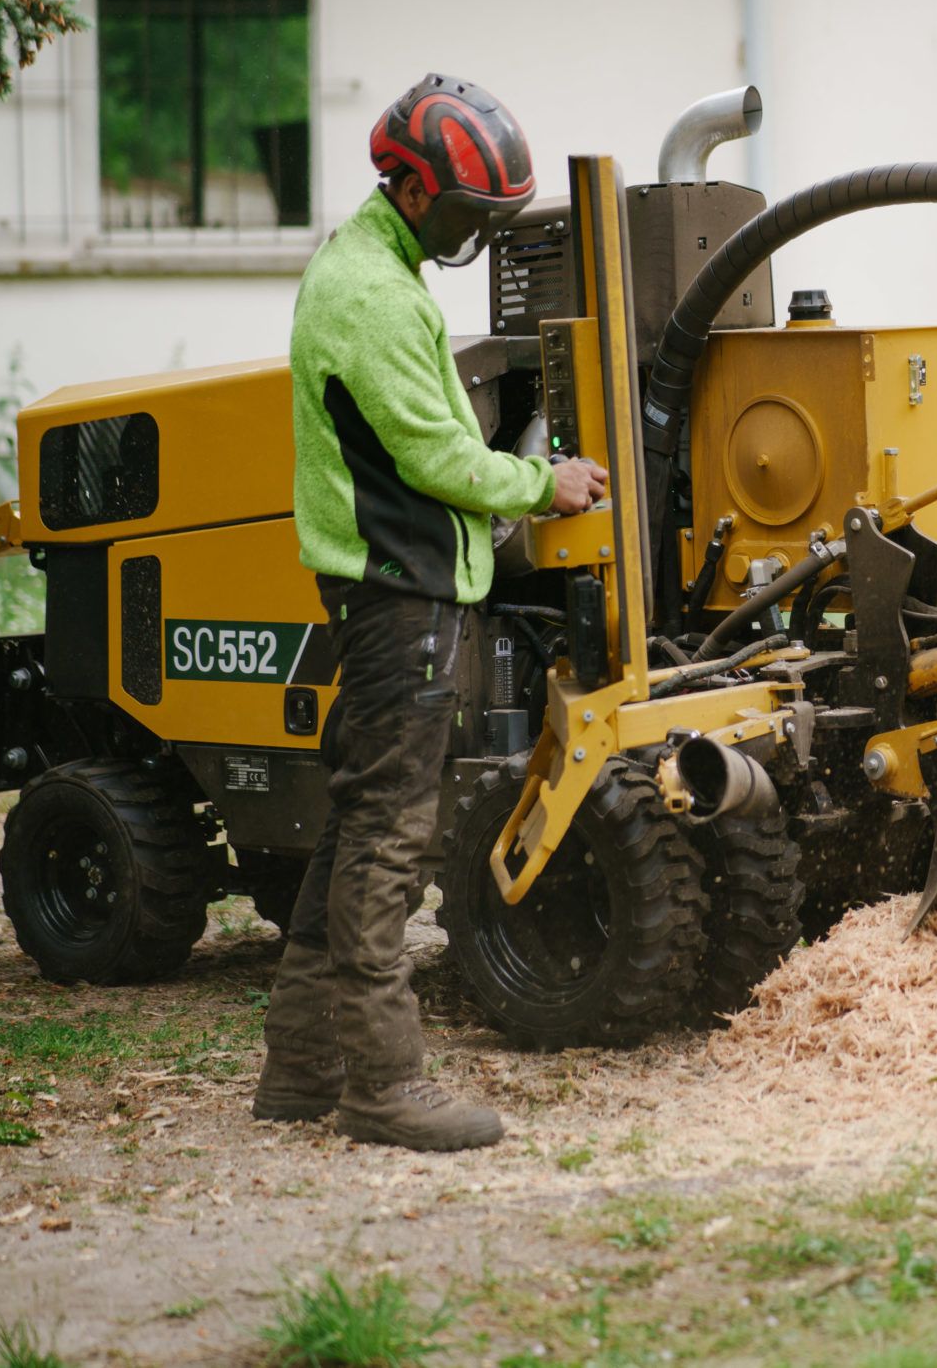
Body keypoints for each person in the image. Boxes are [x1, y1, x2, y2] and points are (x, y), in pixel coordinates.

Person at [252, 74, 608, 1151]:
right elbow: (434, 457)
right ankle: (382, 1086)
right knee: (389, 838)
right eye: (465, 216)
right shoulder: (371, 292)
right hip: (399, 594)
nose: (471, 238)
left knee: (354, 824)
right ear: (407, 186)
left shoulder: (379, 267)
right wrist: (543, 485)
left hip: (391, 588)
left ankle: (300, 1069)